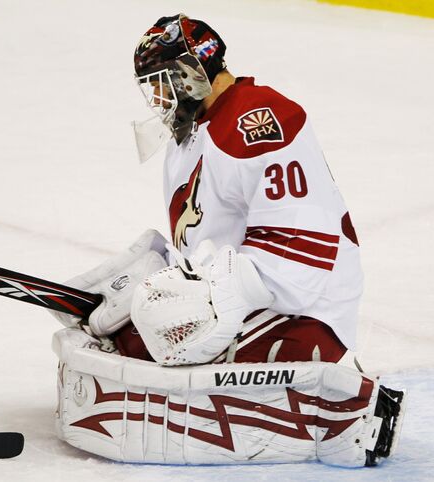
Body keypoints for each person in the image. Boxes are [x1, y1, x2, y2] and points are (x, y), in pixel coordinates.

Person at [51, 13, 404, 467]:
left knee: (149, 344)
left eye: (160, 81)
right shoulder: (191, 133)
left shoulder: (257, 118)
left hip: (296, 304)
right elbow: (204, 243)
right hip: (239, 294)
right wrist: (155, 282)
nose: (157, 97)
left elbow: (303, 245)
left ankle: (326, 369)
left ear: (192, 69)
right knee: (129, 329)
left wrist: (202, 300)